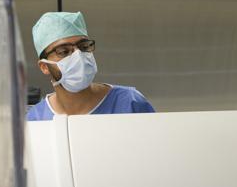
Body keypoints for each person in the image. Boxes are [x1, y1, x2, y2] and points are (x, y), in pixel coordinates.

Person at [27, 11, 155, 121]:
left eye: (84, 46)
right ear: (44, 66)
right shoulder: (35, 119)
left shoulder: (130, 104)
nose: (78, 55)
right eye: (64, 51)